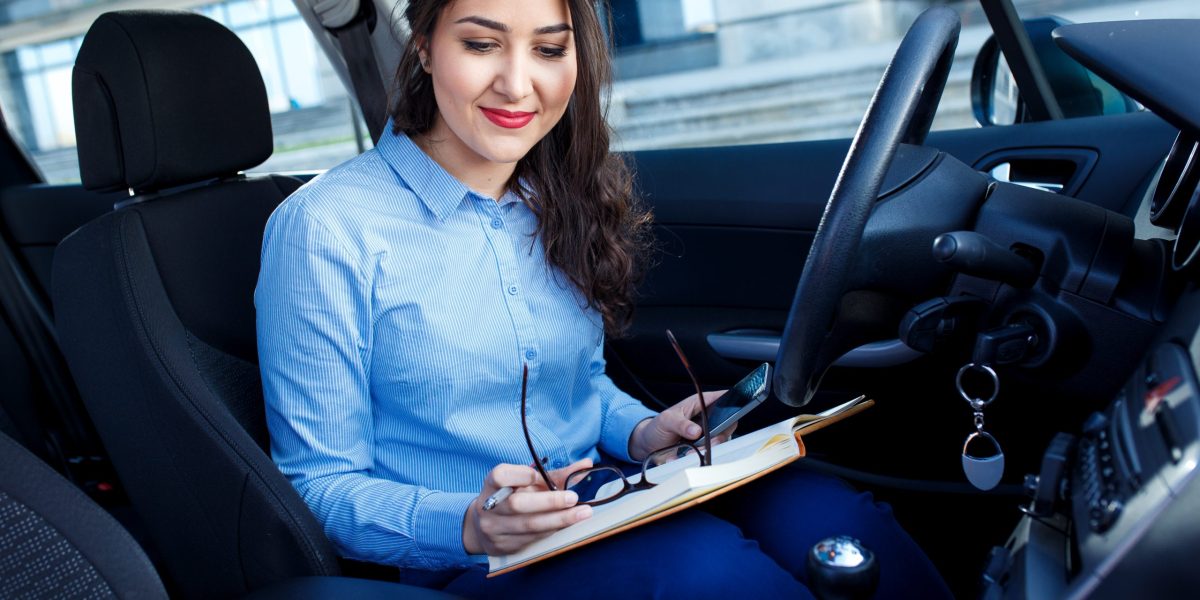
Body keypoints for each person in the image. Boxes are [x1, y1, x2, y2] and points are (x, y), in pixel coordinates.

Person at [255, 0, 952, 597]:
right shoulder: (325, 228)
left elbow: (581, 386)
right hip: (476, 561)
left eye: (549, 49)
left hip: (610, 492)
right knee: (707, 573)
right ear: (424, 50)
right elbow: (319, 484)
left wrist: (645, 433)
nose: (518, 83)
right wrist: (468, 523)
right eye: (480, 43)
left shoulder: (552, 194)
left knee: (834, 520)